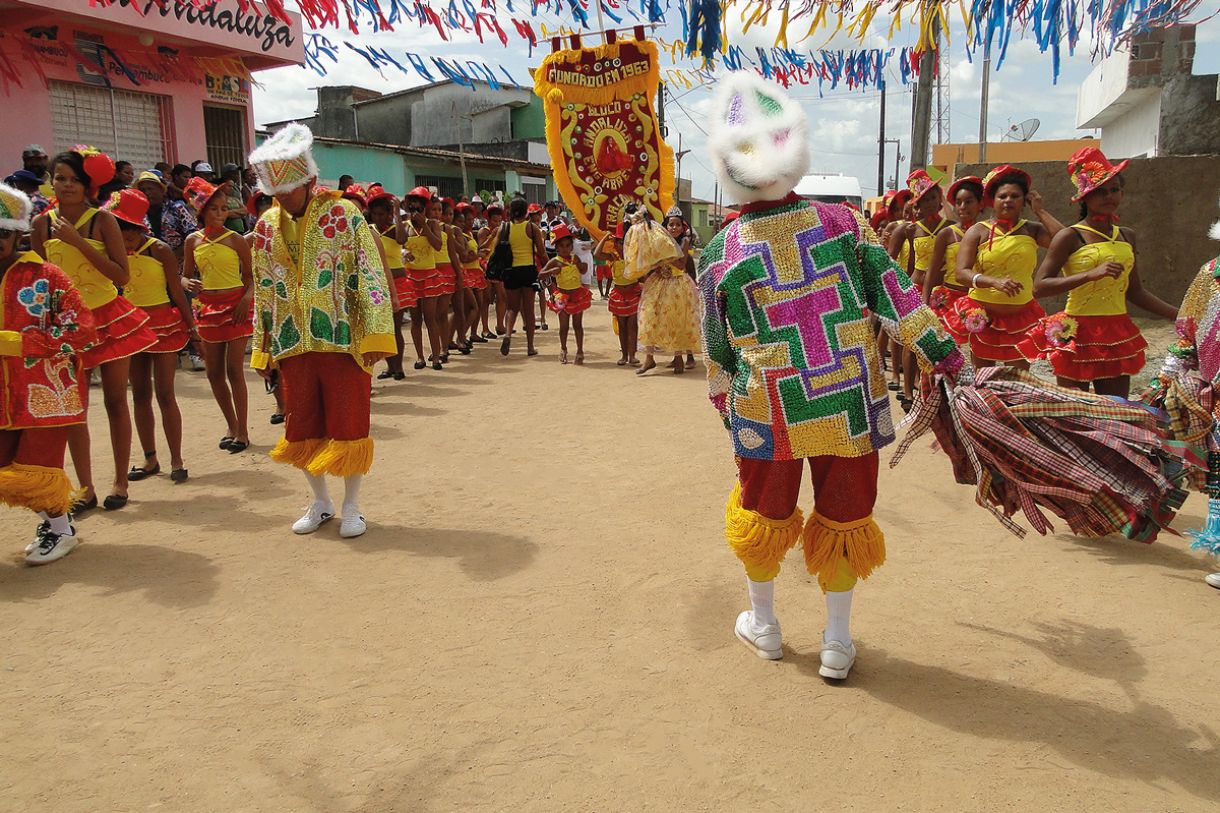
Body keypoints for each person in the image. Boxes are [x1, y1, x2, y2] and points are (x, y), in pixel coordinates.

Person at [698, 73, 963, 678]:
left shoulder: (720, 251)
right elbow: (898, 299)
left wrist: (727, 400)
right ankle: (837, 642)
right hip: (847, 395)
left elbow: (717, 348)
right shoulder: (844, 225)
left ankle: (763, 626)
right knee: (846, 511)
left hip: (769, 401)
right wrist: (945, 355)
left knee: (763, 509)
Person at [247, 123, 395, 538]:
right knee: (301, 426)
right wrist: (263, 348)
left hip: (344, 338)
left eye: (287, 189)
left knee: (349, 425)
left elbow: (369, 274)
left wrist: (377, 335)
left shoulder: (344, 214)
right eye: (274, 192)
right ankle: (320, 502)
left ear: (310, 181)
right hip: (291, 340)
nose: (280, 198)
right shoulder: (264, 227)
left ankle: (352, 507)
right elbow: (264, 289)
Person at [31, 147, 156, 512]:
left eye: (74, 179)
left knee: (116, 401)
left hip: (107, 317)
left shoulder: (102, 222)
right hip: (65, 327)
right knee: (74, 409)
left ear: (88, 185)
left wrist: (76, 241)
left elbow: (121, 275)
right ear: (51, 181)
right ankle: (85, 488)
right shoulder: (41, 224)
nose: (66, 185)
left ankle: (120, 480)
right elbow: (40, 279)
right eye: (60, 178)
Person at [1018, 148, 1177, 397]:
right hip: (1078, 332)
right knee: (1075, 413)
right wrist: (1090, 275)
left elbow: (1135, 291)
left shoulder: (1127, 235)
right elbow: (1040, 286)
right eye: (1100, 191)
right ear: (1085, 197)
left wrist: (1178, 314)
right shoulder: (1070, 236)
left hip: (1116, 331)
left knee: (1115, 409)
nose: (1108, 196)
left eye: (1114, 190)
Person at [0, 182, 98, 564]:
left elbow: (82, 329)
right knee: (6, 467)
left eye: (3, 234)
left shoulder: (47, 276)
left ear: (18, 234)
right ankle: (57, 526)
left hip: (45, 391)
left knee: (37, 469)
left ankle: (61, 531)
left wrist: (22, 343)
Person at [105, 189, 195, 483]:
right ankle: (150, 458)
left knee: (166, 393)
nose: (124, 240)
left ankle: (177, 459)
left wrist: (191, 327)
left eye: (127, 233)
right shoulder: (113, 253)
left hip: (163, 325)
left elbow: (176, 290)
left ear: (137, 228)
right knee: (140, 394)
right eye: (118, 233)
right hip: (132, 326)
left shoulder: (160, 250)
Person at [945, 165, 1064, 368]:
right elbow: (961, 273)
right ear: (993, 200)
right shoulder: (978, 231)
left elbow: (1065, 242)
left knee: (1019, 381)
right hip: (983, 317)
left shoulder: (1032, 229)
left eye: (1015, 196)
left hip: (1022, 318)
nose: (1008, 200)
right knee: (985, 380)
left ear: (1024, 200)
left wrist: (1040, 211)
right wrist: (994, 282)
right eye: (1003, 196)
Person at [181, 176, 253, 454]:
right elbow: (185, 276)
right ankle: (231, 425)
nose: (221, 213)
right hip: (207, 308)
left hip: (235, 306)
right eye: (215, 209)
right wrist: (189, 284)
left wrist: (247, 299)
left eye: (224, 208)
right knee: (213, 373)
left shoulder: (235, 239)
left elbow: (251, 277)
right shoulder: (192, 241)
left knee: (235, 370)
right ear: (202, 212)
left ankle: (243, 432)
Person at [887, 170, 952, 409]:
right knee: (912, 342)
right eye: (922, 200)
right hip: (914, 289)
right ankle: (908, 392)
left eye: (932, 198)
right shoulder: (909, 230)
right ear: (915, 204)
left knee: (939, 342)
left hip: (943, 292)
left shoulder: (953, 228)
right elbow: (890, 261)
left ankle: (936, 390)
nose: (928, 204)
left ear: (940, 199)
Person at [636, 207, 701, 376]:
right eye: (671, 224)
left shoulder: (684, 242)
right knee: (649, 318)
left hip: (678, 285)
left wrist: (663, 255)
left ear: (683, 227)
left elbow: (680, 264)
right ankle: (649, 358)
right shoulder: (660, 241)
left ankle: (679, 357)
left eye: (677, 225)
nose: (674, 228)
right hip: (658, 283)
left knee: (676, 320)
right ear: (666, 226)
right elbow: (653, 262)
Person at [922, 175, 983, 344]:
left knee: (976, 351)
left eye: (969, 201)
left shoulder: (987, 233)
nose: (963, 207)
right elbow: (932, 272)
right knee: (943, 354)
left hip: (976, 300)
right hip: (947, 302)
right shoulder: (947, 234)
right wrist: (924, 305)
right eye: (958, 202)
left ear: (980, 204)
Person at [364, 185, 415, 380]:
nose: (379, 217)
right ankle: (391, 366)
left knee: (394, 326)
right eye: (375, 214)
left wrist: (396, 214)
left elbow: (403, 239)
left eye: (382, 213)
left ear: (389, 213)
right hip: (379, 284)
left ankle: (398, 366)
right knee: (385, 328)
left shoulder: (395, 230)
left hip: (398, 282)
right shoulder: (370, 230)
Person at [487, 197, 547, 357]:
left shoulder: (504, 228)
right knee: (528, 310)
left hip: (510, 271)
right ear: (526, 212)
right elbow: (541, 252)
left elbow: (497, 250)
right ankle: (530, 347)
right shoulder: (532, 228)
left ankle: (507, 335)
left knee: (511, 308)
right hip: (528, 270)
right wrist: (549, 267)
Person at [402, 187, 446, 370]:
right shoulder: (405, 226)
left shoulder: (433, 224)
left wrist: (425, 226)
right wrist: (404, 253)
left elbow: (437, 245)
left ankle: (436, 357)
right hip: (411, 277)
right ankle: (420, 357)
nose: (416, 212)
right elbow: (399, 247)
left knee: (431, 318)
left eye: (419, 209)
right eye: (412, 209)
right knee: (415, 320)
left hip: (429, 276)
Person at [539, 224, 590, 363]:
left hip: (577, 295)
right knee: (564, 326)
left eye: (568, 245)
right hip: (562, 296)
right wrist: (551, 272)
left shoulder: (575, 259)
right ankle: (563, 348)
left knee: (578, 325)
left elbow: (584, 271)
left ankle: (580, 351)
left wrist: (582, 266)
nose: (565, 249)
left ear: (572, 246)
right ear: (556, 247)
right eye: (561, 246)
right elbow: (540, 275)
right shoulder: (554, 261)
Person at [596, 221, 639, 366]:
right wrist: (606, 237)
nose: (622, 246)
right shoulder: (612, 257)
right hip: (619, 296)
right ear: (615, 243)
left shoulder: (633, 256)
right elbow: (596, 253)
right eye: (619, 242)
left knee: (633, 326)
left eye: (625, 242)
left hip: (633, 293)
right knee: (622, 327)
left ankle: (632, 355)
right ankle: (624, 355)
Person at [435, 197, 468, 356]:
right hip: (436, 272)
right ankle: (444, 344)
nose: (446, 217)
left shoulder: (454, 230)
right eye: (444, 213)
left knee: (459, 308)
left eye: (449, 214)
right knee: (440, 312)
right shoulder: (432, 228)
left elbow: (461, 251)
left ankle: (461, 339)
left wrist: (450, 239)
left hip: (454, 269)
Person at [455, 202, 489, 346]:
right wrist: (477, 255)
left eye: (470, 219)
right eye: (465, 219)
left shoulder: (469, 233)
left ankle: (472, 334)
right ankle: (461, 336)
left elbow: (473, 252)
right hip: (467, 271)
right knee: (470, 307)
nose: (468, 222)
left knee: (478, 305)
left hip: (476, 271)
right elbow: (465, 257)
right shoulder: (459, 235)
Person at [478, 203, 507, 336]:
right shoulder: (483, 231)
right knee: (486, 298)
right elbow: (480, 248)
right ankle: (484, 328)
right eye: (495, 220)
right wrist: (491, 236)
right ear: (488, 220)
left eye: (500, 221)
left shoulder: (502, 232)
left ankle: (500, 325)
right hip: (485, 265)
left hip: (499, 265)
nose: (497, 223)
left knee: (502, 296)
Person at [219, 163, 248, 234]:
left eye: (237, 173)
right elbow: (224, 214)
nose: (237, 175)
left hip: (240, 226)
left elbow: (245, 210)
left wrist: (233, 212)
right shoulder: (220, 196)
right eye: (234, 173)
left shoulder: (237, 188)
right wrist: (233, 213)